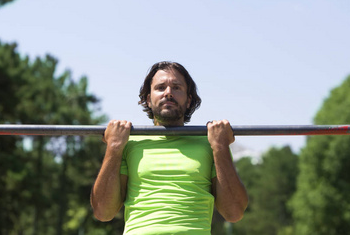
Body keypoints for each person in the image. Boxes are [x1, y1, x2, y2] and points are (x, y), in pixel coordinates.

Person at [91, 61, 248, 234]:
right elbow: (103, 212)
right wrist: (113, 147)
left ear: (188, 100)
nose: (168, 93)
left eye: (176, 87)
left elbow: (234, 213)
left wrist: (220, 147)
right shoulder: (128, 143)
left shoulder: (211, 144)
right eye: (160, 87)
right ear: (148, 100)